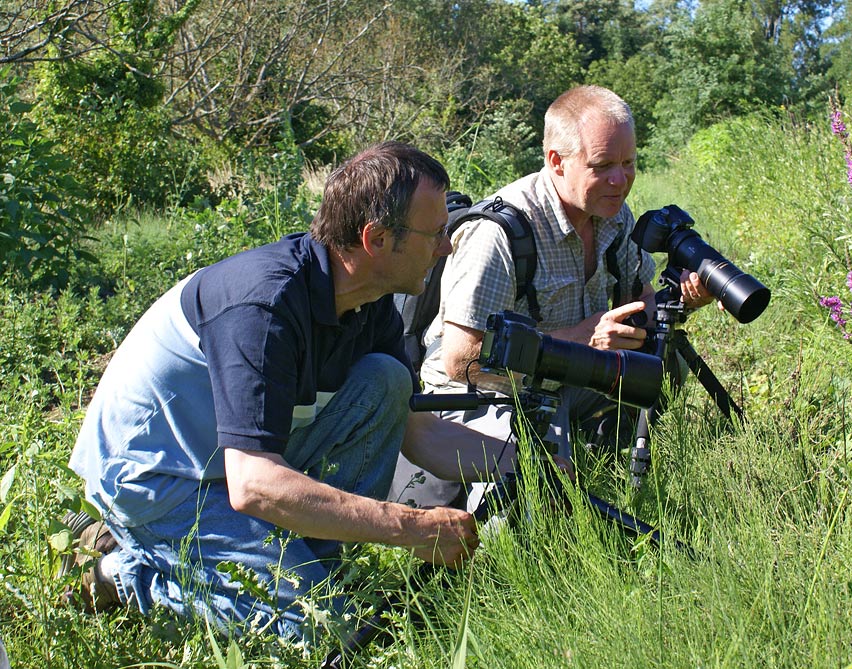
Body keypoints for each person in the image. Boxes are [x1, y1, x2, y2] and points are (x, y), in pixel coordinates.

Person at [64, 142, 522, 641]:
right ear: (376, 238)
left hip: (232, 465)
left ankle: (308, 567)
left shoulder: (371, 303)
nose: (446, 247)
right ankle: (122, 572)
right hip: (158, 482)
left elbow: (417, 431)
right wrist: (410, 528)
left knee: (386, 382)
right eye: (435, 233)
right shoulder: (264, 305)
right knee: (327, 632)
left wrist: (529, 466)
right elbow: (254, 482)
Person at [389, 85, 715, 510]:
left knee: (663, 356)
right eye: (603, 165)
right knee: (531, 508)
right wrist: (581, 340)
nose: (621, 180)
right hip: (490, 394)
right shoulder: (498, 233)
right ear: (556, 162)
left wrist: (683, 299)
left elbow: (641, 300)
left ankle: (603, 449)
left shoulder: (612, 212)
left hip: (572, 379)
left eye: (629, 163)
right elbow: (461, 360)